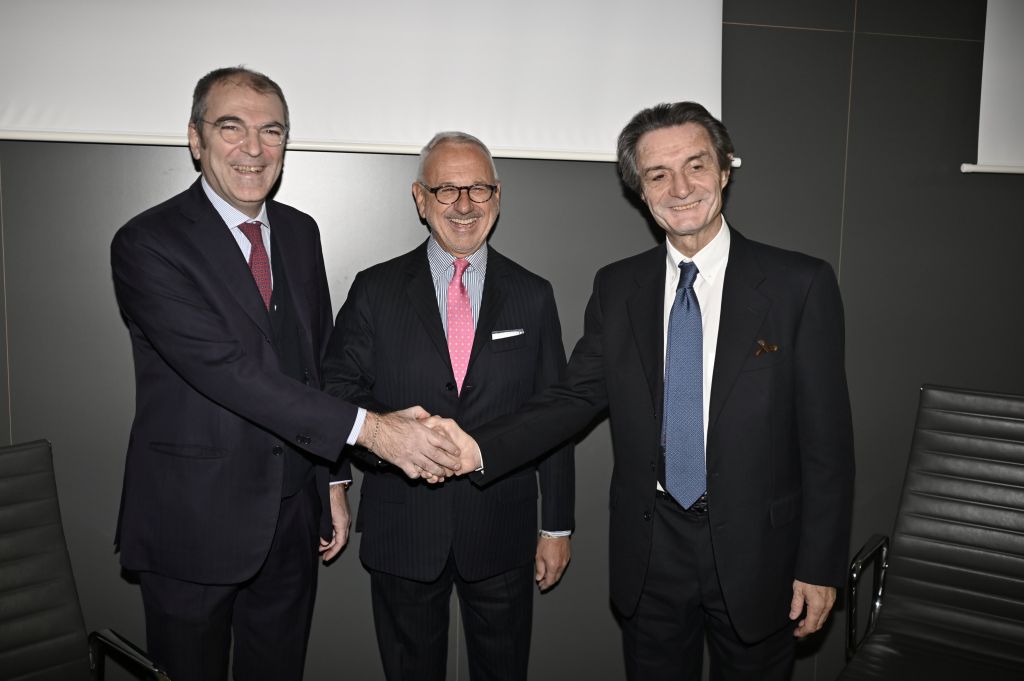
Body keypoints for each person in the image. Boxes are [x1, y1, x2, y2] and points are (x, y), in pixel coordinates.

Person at [438, 102, 855, 680]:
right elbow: (572, 399)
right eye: (658, 175)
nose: (680, 188)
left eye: (696, 166)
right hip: (652, 548)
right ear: (640, 191)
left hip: (762, 553)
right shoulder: (618, 287)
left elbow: (828, 444)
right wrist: (476, 447)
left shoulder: (798, 285)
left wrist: (820, 565)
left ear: (724, 170)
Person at [110, 66, 462, 681]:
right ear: (195, 139)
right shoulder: (147, 243)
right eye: (231, 127)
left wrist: (333, 482)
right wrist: (375, 432)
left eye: (271, 131)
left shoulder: (300, 232)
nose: (253, 148)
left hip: (293, 519)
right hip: (192, 522)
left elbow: (315, 362)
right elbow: (229, 372)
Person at [322, 131, 575, 681]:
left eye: (478, 189)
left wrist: (556, 527)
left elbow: (555, 415)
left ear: (497, 196)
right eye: (446, 190)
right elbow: (337, 389)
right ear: (420, 198)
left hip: (502, 530)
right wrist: (389, 440)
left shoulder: (533, 294)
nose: (464, 205)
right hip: (403, 530)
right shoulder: (375, 289)